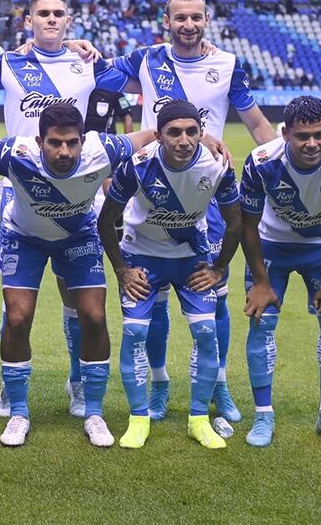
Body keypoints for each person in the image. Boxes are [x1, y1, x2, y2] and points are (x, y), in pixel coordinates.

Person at [107, 0, 276, 423]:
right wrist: (70, 45)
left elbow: (255, 121)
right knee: (153, 296)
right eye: (180, 17)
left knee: (214, 296)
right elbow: (92, 75)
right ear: (167, 20)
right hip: (152, 191)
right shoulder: (145, 59)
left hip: (206, 192)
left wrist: (282, 165)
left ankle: (218, 386)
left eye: (196, 17)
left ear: (206, 19)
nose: (188, 24)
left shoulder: (226, 65)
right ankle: (160, 385)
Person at [0, 0, 131, 420]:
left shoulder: (87, 63)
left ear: (69, 22)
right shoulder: (9, 63)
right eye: (43, 14)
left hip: (77, 194)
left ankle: (77, 382)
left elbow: (136, 82)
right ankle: (10, 384)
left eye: (59, 14)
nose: (52, 20)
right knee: (15, 304)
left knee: (77, 300)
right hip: (22, 192)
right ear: (28, 21)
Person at [0, 104, 144, 448]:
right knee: (19, 317)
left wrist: (209, 139)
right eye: (55, 143)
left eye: (72, 142)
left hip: (78, 235)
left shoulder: (104, 150)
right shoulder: (15, 154)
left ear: (83, 140)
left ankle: (94, 413)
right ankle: (19, 412)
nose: (64, 151)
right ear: (40, 141)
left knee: (94, 316)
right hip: (24, 237)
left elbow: (152, 136)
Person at [96, 101, 242, 449]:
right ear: (159, 135)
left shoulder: (217, 166)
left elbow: (236, 220)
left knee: (206, 332)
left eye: (192, 132)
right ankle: (138, 418)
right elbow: (106, 219)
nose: (183, 140)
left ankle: (198, 419)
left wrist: (219, 267)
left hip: (191, 258)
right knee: (133, 333)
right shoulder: (138, 164)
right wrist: (121, 270)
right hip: (142, 257)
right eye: (174, 132)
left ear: (201, 134)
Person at [238, 96, 321, 448]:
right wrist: (260, 282)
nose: (312, 144)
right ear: (285, 133)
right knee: (261, 322)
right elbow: (246, 226)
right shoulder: (261, 162)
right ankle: (263, 416)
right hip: (270, 245)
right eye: (302, 136)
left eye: (319, 135)